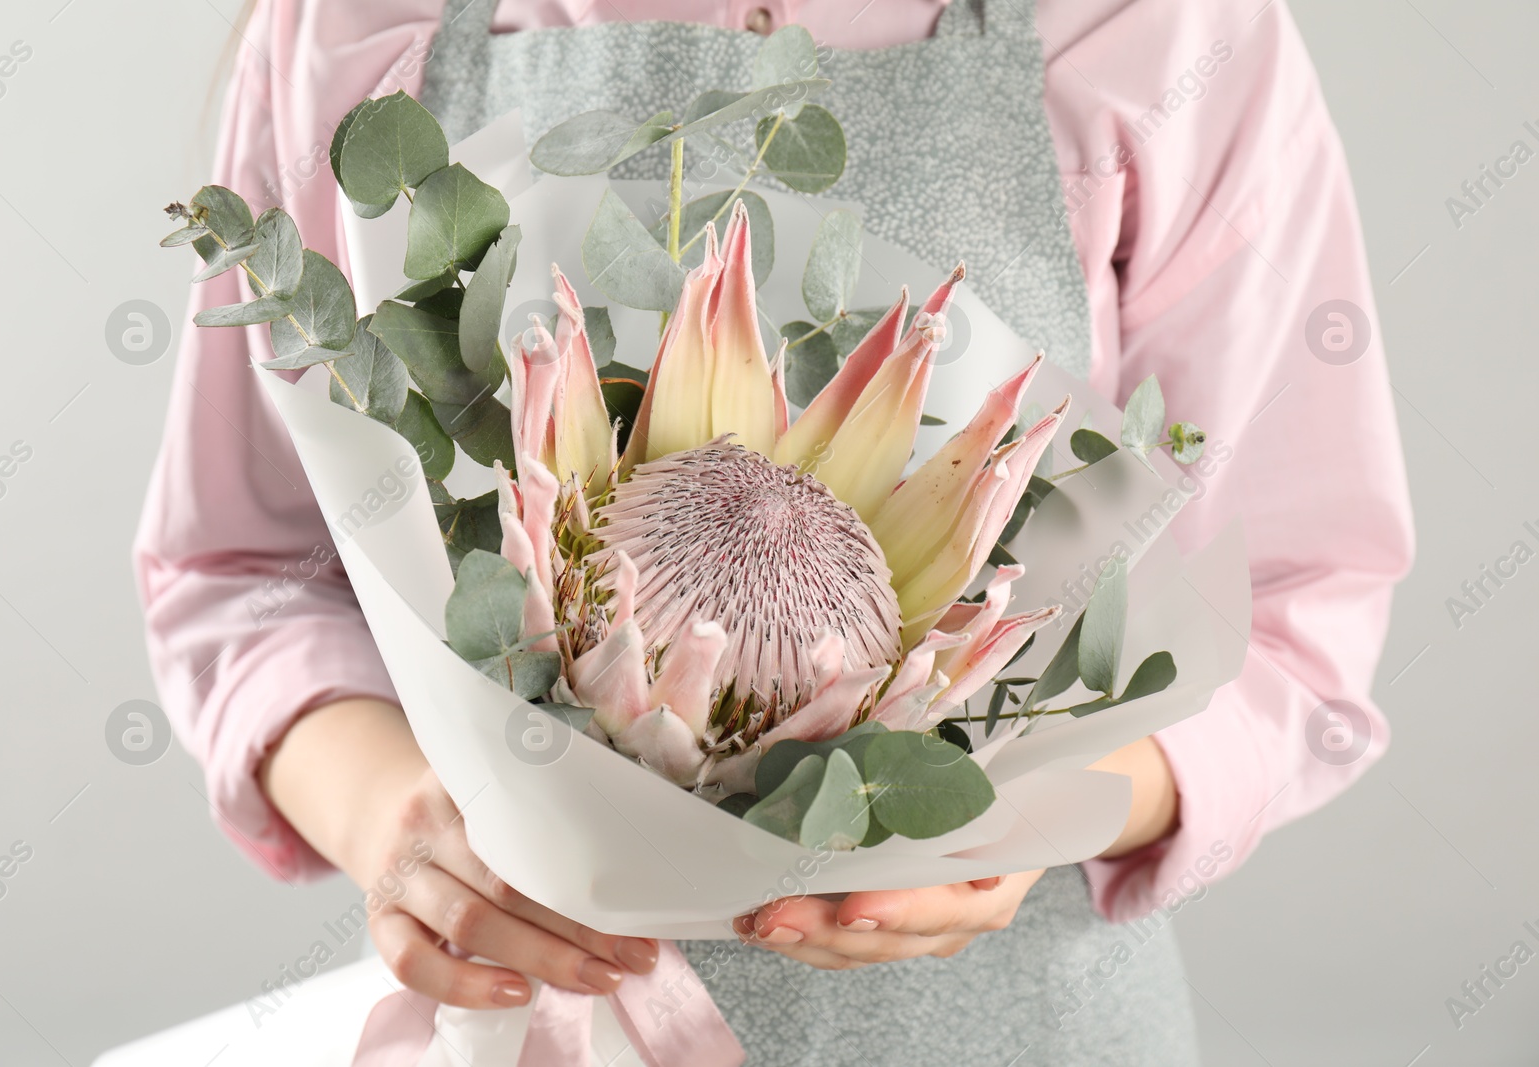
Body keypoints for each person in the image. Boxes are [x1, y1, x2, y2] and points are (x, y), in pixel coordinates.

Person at [134, 0, 1414, 1062]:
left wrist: (1021, 818)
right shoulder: (360, 30)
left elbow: (1302, 606)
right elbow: (242, 577)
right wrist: (399, 818)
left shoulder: (1156, 27)